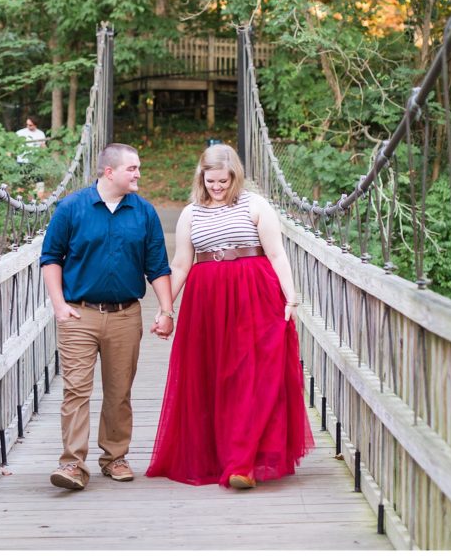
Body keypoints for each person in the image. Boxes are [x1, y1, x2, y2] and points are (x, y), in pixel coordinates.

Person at [146, 143, 314, 489]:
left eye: (223, 181)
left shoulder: (255, 205)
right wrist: (166, 309)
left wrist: (291, 296)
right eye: (211, 182)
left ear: (235, 176)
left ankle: (243, 464)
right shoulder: (191, 213)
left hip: (254, 296)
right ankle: (218, 457)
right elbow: (180, 264)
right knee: (211, 375)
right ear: (201, 178)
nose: (217, 187)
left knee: (249, 376)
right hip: (206, 302)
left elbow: (276, 254)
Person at [40, 143, 174, 492]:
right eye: (132, 168)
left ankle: (114, 457)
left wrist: (166, 309)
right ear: (109, 171)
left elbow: (157, 266)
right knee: (76, 390)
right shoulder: (71, 208)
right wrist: (58, 305)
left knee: (119, 392)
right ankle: (72, 463)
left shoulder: (143, 213)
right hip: (79, 313)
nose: (139, 174)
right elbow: (51, 257)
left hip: (125, 315)